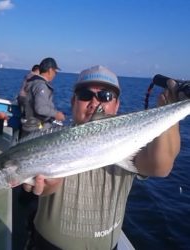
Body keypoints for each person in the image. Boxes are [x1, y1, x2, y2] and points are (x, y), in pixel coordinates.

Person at [23, 65, 182, 250]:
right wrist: (47, 185)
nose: (95, 103)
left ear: (116, 105)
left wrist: (172, 107)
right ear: (73, 101)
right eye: (85, 95)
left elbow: (161, 166)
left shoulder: (129, 142)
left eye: (105, 96)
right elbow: (46, 188)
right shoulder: (49, 140)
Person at [22, 57, 65, 134]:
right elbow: (40, 108)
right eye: (55, 72)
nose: (55, 75)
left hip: (29, 125)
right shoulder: (41, 86)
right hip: (37, 128)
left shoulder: (33, 82)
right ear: (50, 70)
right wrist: (56, 114)